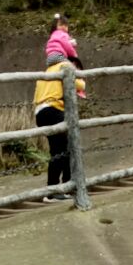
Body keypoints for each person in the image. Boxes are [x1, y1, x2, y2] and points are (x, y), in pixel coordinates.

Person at [33, 54, 86, 200]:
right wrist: (78, 78)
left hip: (41, 112)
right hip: (54, 109)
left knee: (59, 150)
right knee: (67, 149)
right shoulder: (66, 66)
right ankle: (58, 189)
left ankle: (60, 187)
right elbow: (81, 85)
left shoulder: (45, 74)